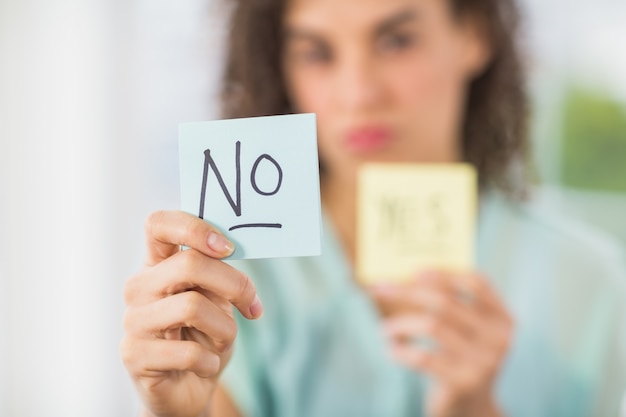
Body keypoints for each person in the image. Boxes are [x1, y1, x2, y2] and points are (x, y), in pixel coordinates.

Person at [120, 0, 626, 416]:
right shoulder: (227, 275)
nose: (359, 92)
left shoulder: (589, 282)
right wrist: (179, 414)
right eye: (316, 53)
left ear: (473, 35)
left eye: (396, 41)